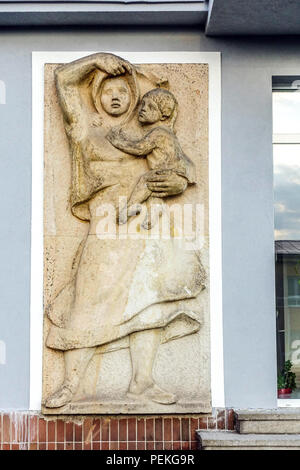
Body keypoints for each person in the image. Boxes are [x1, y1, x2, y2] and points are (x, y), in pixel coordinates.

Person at [44, 53, 205, 409]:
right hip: (105, 221)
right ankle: (71, 385)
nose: (115, 97)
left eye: (122, 91)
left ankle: (142, 383)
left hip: (145, 220)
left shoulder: (148, 134)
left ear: (134, 98)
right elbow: (64, 80)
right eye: (107, 91)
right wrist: (96, 61)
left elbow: (180, 167)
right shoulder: (84, 129)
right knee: (85, 300)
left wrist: (175, 183)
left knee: (147, 300)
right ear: (97, 96)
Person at [107, 88, 195, 229]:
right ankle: (153, 215)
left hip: (170, 175)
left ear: (164, 115)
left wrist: (117, 140)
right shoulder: (166, 133)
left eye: (150, 107)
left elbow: (138, 148)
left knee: (145, 181)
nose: (143, 109)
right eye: (142, 104)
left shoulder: (159, 133)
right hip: (177, 179)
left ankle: (130, 208)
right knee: (155, 192)